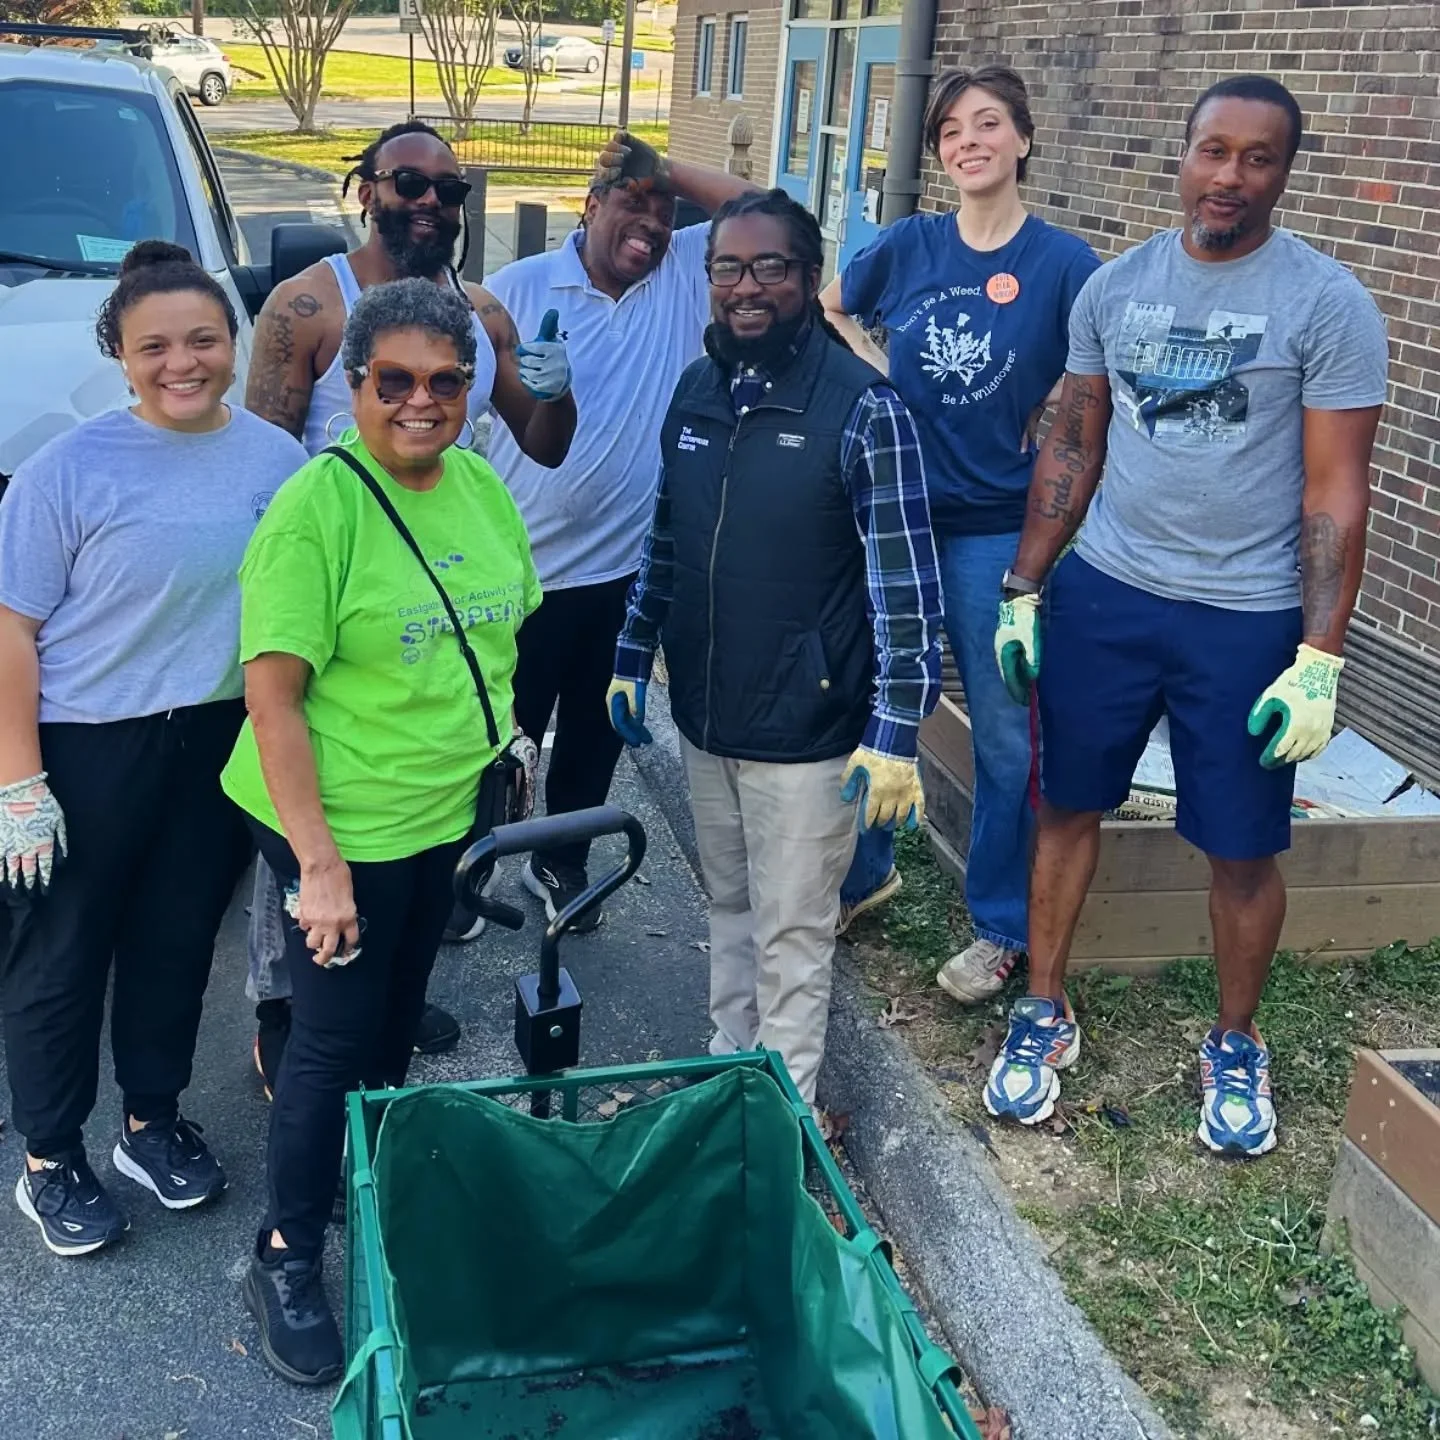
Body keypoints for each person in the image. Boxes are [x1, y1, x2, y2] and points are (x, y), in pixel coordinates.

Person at [984, 75, 1388, 1156]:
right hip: (1109, 594)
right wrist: (1026, 585)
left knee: (1242, 847)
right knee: (1067, 807)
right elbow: (1073, 441)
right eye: (1216, 150)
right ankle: (1044, 1008)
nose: (1231, 176)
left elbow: (1336, 490)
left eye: (1259, 158)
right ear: (1186, 153)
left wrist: (1318, 656)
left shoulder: (1327, 303)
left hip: (1245, 617)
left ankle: (1235, 1037)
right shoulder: (1115, 290)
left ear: (1284, 173)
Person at [221, 279, 541, 1383]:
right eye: (393, 381)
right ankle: (287, 1249)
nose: (421, 402)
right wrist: (317, 868)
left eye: (446, 382)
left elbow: (502, 635)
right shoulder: (318, 507)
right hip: (335, 826)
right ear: (352, 387)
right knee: (331, 1042)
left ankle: (372, 1186)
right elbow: (272, 699)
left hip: (439, 815)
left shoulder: (482, 489)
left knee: (400, 1019)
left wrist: (505, 759)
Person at [243, 120, 576, 1090]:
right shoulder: (303, 307)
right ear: (367, 191)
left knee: (416, 845)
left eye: (448, 190)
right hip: (329, 604)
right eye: (408, 184)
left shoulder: (480, 314)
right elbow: (257, 467)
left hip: (435, 620)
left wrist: (556, 388)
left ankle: (383, 987)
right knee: (310, 836)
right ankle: (281, 1011)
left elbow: (543, 440)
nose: (428, 204)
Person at [0, 241, 308, 1257]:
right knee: (65, 954)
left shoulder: (276, 460)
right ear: (121, 357)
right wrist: (16, 779)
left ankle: (149, 1121)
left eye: (205, 340)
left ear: (235, 343)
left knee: (177, 942)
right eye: (156, 347)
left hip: (216, 739)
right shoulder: (66, 471)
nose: (185, 362)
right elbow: (13, 630)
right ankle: (50, 1158)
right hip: (87, 747)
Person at [609, 190, 943, 1109]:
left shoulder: (865, 410)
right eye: (728, 268)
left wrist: (897, 731)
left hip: (809, 729)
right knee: (728, 908)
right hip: (710, 714)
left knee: (794, 932)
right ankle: (725, 1069)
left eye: (769, 268)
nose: (745, 287)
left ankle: (775, 1119)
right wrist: (634, 651)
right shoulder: (696, 390)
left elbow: (906, 589)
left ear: (806, 278)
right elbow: (666, 538)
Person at [820, 66, 1100, 994]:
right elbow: (831, 307)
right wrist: (877, 375)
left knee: (1004, 735)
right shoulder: (908, 246)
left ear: (1023, 139)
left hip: (991, 531)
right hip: (892, 515)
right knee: (873, 699)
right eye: (950, 130)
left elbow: (1093, 386)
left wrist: (1053, 414)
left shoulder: (1065, 265)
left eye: (989, 124)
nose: (968, 141)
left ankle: (1000, 926)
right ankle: (866, 877)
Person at [481, 131, 757, 930]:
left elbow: (755, 208)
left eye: (663, 210)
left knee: (597, 731)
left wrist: (661, 169)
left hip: (627, 573)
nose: (650, 223)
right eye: (630, 202)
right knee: (504, 734)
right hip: (521, 567)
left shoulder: (679, 273)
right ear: (590, 205)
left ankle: (559, 862)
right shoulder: (521, 287)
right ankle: (471, 869)